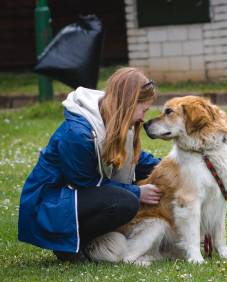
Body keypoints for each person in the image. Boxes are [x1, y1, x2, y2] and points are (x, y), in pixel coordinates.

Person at [18, 67, 162, 261]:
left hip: (74, 199)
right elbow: (86, 184)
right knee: (125, 202)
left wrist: (170, 167)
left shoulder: (112, 117)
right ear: (129, 103)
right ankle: (69, 246)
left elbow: (136, 159)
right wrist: (137, 192)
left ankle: (88, 241)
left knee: (125, 199)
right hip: (49, 205)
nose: (143, 118)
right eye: (143, 110)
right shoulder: (77, 134)